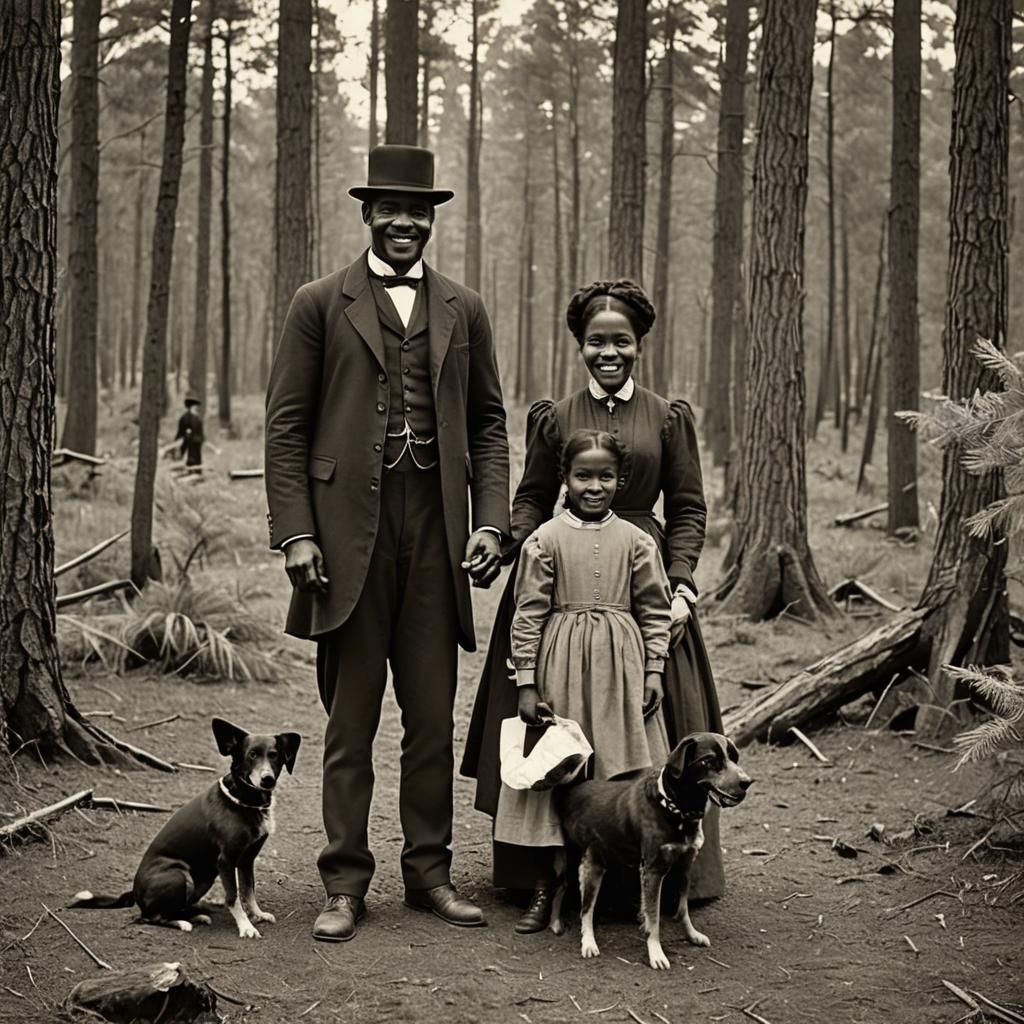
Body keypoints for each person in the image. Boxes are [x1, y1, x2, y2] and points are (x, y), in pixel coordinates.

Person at [265, 144, 510, 943]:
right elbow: (287, 427)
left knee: (432, 720)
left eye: (418, 211)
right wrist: (296, 533)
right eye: (391, 209)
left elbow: (490, 424)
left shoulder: (464, 307)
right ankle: (344, 884)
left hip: (436, 534)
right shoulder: (318, 302)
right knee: (350, 725)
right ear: (368, 214)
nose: (405, 222)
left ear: (431, 220)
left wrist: (490, 522)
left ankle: (430, 874)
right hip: (346, 541)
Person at [461, 279, 725, 930]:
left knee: (643, 729)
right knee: (553, 735)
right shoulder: (555, 417)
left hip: (646, 586)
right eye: (597, 341)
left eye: (622, 342)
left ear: (640, 345)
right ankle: (544, 876)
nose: (610, 353)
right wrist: (507, 543)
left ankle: (651, 874)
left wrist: (681, 585)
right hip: (563, 582)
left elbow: (688, 508)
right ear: (580, 345)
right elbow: (532, 496)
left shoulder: (667, 417)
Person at [495, 429, 673, 932]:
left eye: (605, 477)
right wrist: (526, 682)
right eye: (583, 476)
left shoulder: (637, 541)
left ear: (621, 480)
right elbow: (527, 614)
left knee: (622, 769)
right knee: (555, 774)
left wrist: (653, 670)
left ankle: (621, 892)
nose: (594, 487)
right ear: (565, 478)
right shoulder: (544, 539)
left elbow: (655, 611)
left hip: (621, 671)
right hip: (561, 667)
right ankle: (545, 888)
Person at [176, 396, 204, 467]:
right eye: (194, 406)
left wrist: (201, 438)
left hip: (197, 442)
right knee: (190, 461)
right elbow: (181, 431)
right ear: (191, 407)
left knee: (197, 461)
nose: (196, 408)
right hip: (188, 443)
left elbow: (200, 431)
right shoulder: (185, 418)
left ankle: (197, 471)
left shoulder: (197, 418)